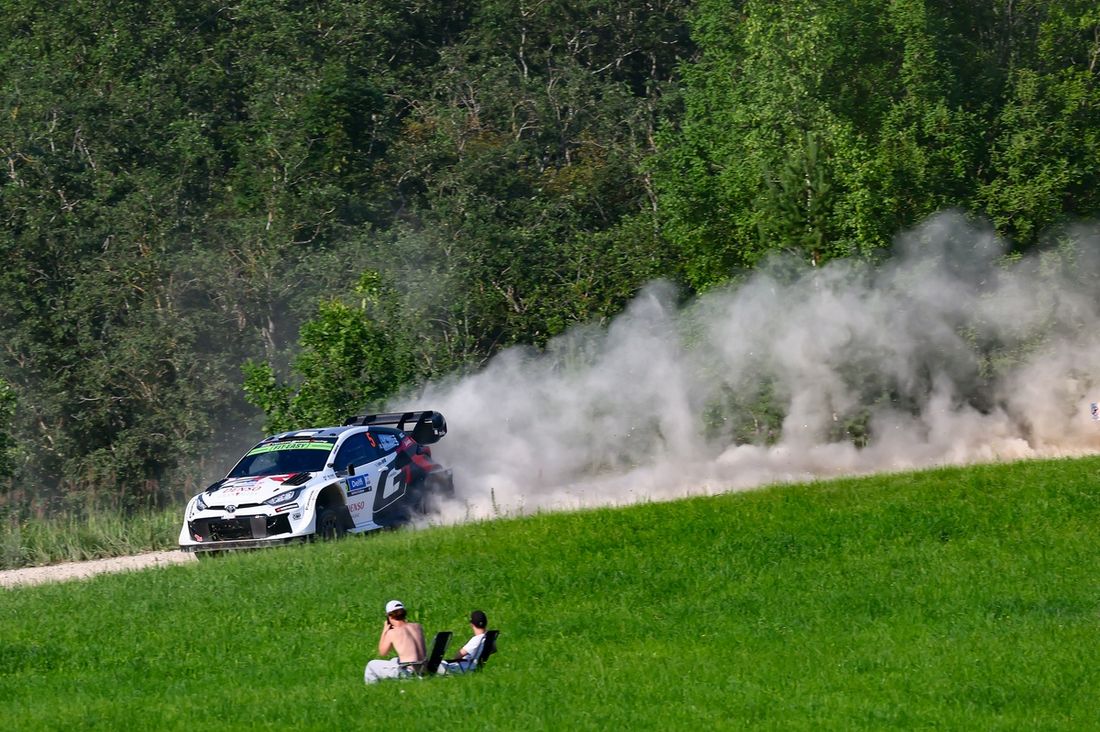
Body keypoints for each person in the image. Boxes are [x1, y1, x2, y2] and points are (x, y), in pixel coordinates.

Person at [364, 600, 426, 684]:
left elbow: (382, 653)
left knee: (371, 665)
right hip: (423, 668)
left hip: (408, 672)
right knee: (394, 660)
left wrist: (385, 631)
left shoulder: (392, 632)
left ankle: (372, 690)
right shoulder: (417, 626)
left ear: (389, 616)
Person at [437, 610, 488, 675]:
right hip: (473, 666)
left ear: (472, 624)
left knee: (436, 665)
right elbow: (493, 650)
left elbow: (459, 655)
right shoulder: (488, 639)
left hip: (464, 668)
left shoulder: (477, 639)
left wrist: (454, 660)